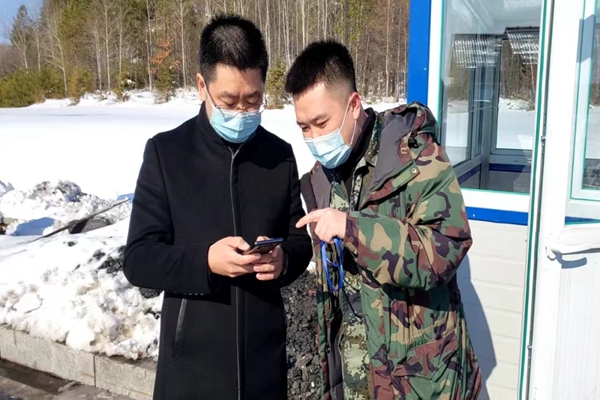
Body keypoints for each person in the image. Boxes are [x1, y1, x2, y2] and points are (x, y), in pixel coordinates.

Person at [123, 14, 312, 400]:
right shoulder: (166, 154)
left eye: (253, 100)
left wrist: (283, 261)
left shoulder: (278, 156)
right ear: (202, 86)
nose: (241, 111)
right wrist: (206, 261)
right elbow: (139, 259)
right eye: (228, 100)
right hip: (192, 372)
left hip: (263, 365)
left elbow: (299, 239)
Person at [287, 40, 482, 400]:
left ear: (353, 105)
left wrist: (353, 229)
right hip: (354, 374)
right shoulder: (319, 179)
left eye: (321, 123)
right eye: (304, 127)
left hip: (417, 380)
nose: (314, 137)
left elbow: (446, 247)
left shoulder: (414, 157)